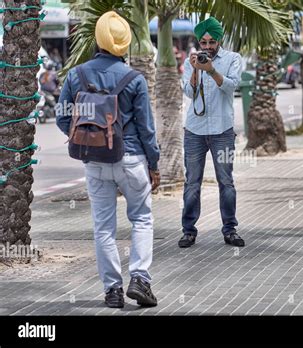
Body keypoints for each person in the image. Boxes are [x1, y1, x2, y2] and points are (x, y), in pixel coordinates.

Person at [56, 11, 161, 308]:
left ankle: (112, 290)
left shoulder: (77, 75)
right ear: (125, 41)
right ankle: (140, 279)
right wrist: (154, 164)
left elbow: (63, 117)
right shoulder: (134, 79)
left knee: (103, 228)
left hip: (96, 161)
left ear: (98, 38)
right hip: (131, 159)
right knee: (141, 219)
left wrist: (86, 138)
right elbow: (146, 129)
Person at [179, 16, 244, 248]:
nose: (207, 47)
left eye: (211, 42)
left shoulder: (233, 59)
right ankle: (188, 231)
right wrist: (197, 70)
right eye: (203, 42)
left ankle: (230, 229)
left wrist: (212, 70)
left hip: (222, 131)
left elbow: (231, 86)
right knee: (192, 182)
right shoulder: (191, 61)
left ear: (219, 40)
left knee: (226, 182)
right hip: (195, 131)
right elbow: (188, 91)